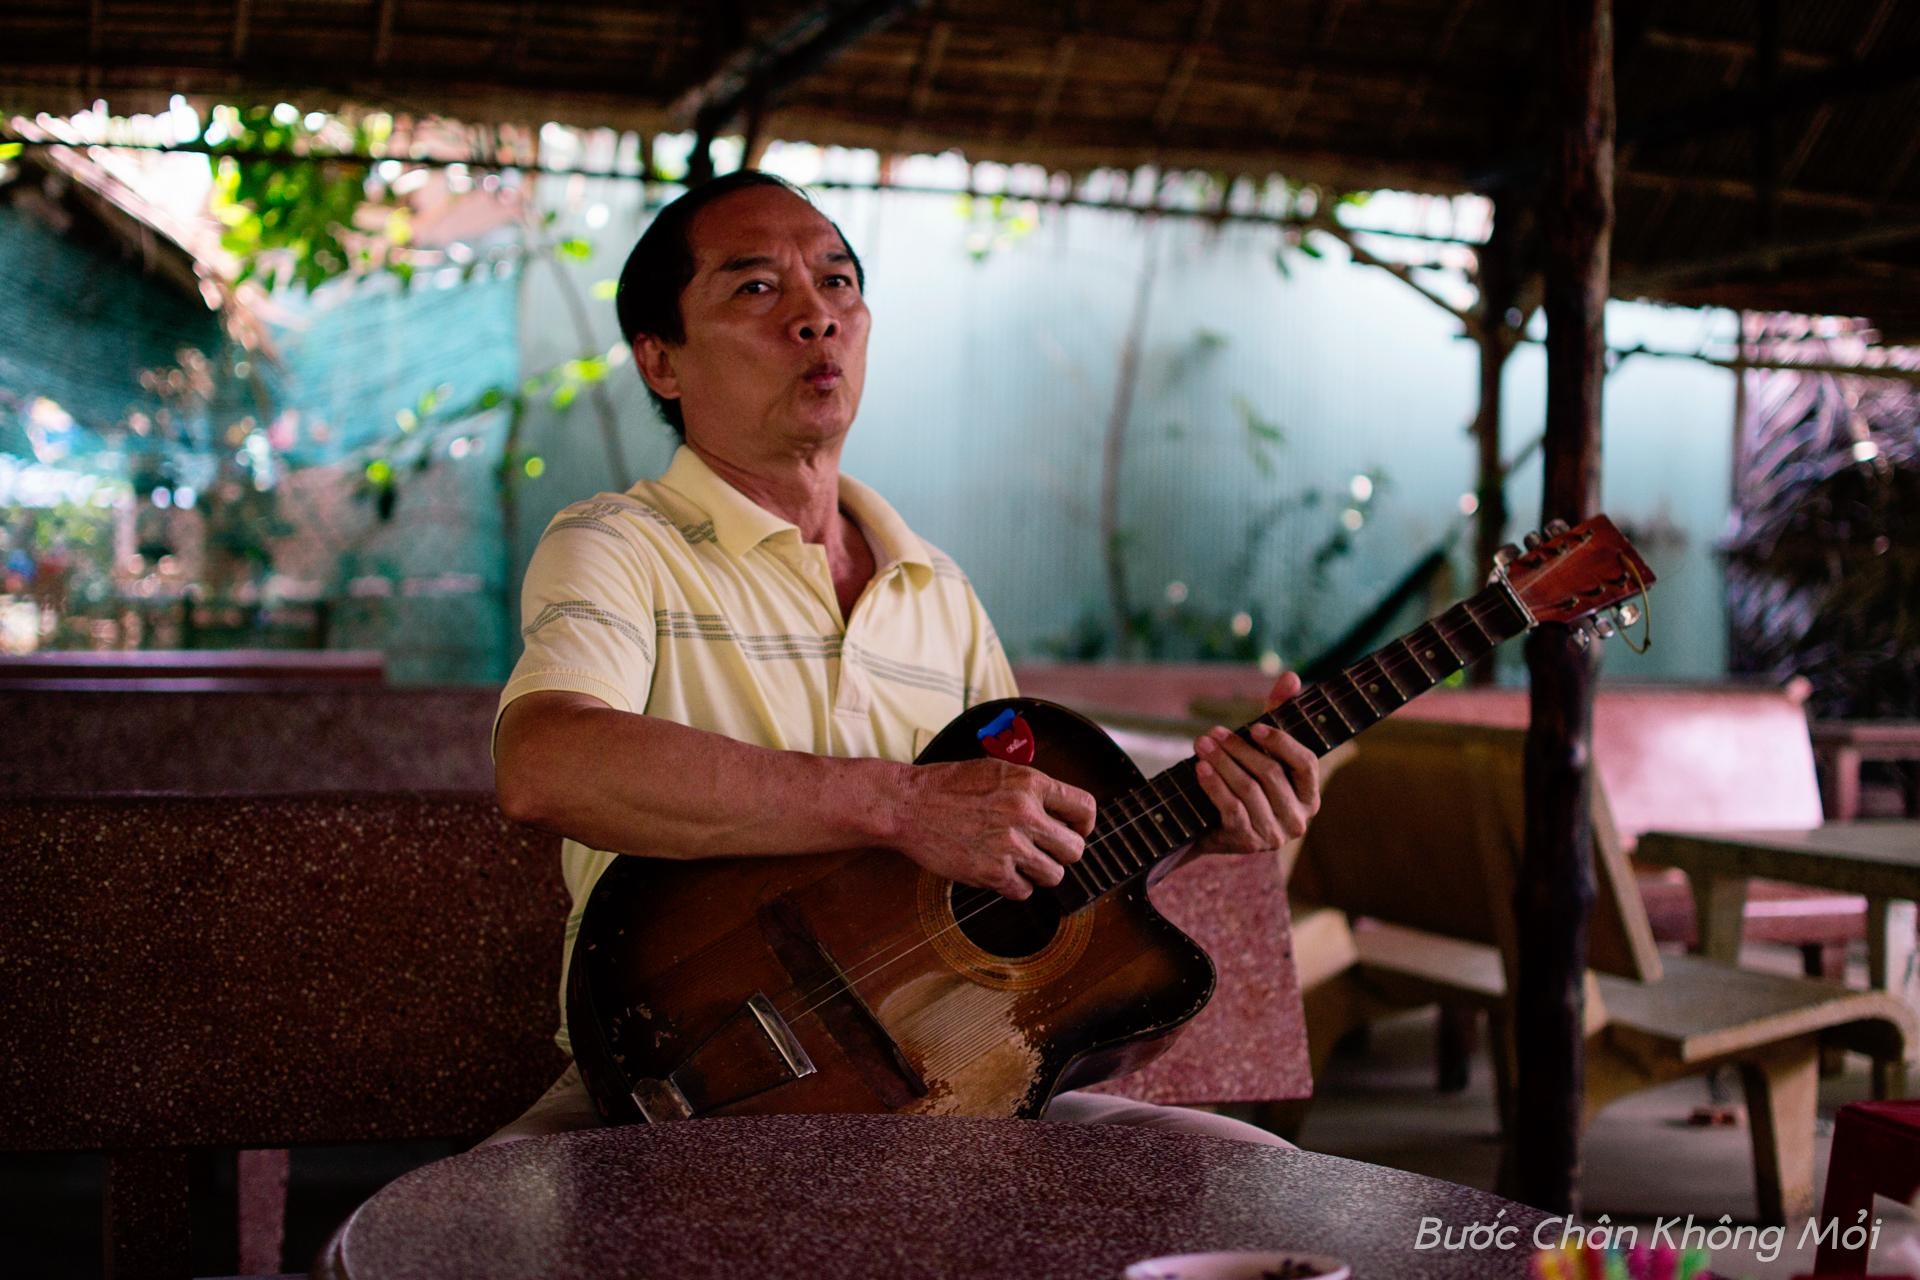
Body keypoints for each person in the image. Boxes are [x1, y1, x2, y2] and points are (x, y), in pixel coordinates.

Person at [488, 170, 1320, 1146]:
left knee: (1238, 1165)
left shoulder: (940, 591)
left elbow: (1020, 878)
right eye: (756, 288)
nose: (815, 316)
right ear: (660, 361)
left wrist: (1198, 826)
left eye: (838, 282)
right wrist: (897, 802)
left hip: (938, 1096)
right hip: (673, 1084)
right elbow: (546, 762)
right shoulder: (620, 544)